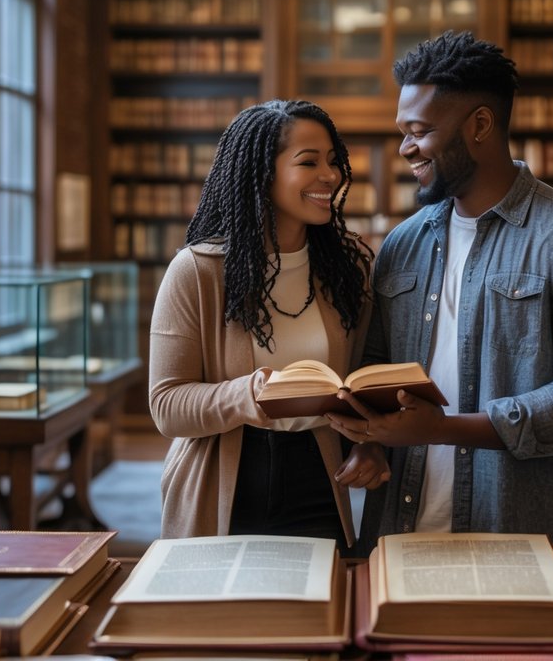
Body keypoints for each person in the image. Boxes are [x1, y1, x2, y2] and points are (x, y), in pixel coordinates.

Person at [327, 31, 553, 558]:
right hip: (400, 532)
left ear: (480, 125)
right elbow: (378, 365)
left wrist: (446, 429)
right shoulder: (403, 244)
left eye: (420, 131)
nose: (405, 148)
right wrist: (371, 438)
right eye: (403, 132)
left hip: (524, 537)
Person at [149, 98, 388, 551]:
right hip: (222, 478)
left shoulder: (350, 268)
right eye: (308, 162)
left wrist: (372, 443)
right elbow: (166, 404)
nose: (330, 176)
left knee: (322, 612)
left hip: (319, 477)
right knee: (224, 618)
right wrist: (248, 394)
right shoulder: (198, 272)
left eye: (334, 162)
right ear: (263, 172)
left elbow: (361, 383)